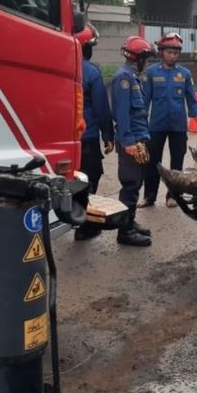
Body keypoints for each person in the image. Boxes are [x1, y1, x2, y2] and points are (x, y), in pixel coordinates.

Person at [139, 33, 197, 208]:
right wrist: (140, 125)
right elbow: (144, 102)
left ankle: (173, 196)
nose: (173, 55)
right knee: (152, 162)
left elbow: (192, 100)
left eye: (176, 52)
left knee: (177, 163)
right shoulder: (151, 73)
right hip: (156, 126)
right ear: (161, 52)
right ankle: (149, 196)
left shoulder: (184, 74)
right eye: (169, 52)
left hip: (178, 126)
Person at [111, 36, 155, 247]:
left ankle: (130, 220)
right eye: (146, 58)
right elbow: (122, 114)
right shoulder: (124, 78)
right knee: (129, 185)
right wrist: (128, 142)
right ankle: (124, 231)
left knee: (136, 183)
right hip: (131, 141)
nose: (147, 62)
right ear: (137, 58)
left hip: (139, 139)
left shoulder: (133, 76)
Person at [74, 25, 115, 241]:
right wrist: (109, 136)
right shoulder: (91, 72)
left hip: (64, 138)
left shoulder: (59, 66)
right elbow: (101, 109)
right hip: (87, 138)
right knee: (91, 178)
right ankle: (86, 224)